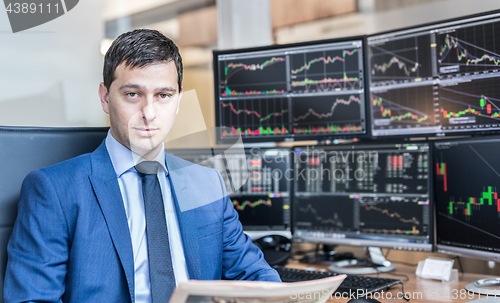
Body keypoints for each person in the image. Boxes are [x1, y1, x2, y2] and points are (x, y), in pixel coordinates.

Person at [4, 29, 280, 303]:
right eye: (133, 94)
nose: (149, 113)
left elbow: (258, 278)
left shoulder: (206, 183)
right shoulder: (54, 189)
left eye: (163, 95)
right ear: (105, 97)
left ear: (178, 101)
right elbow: (31, 300)